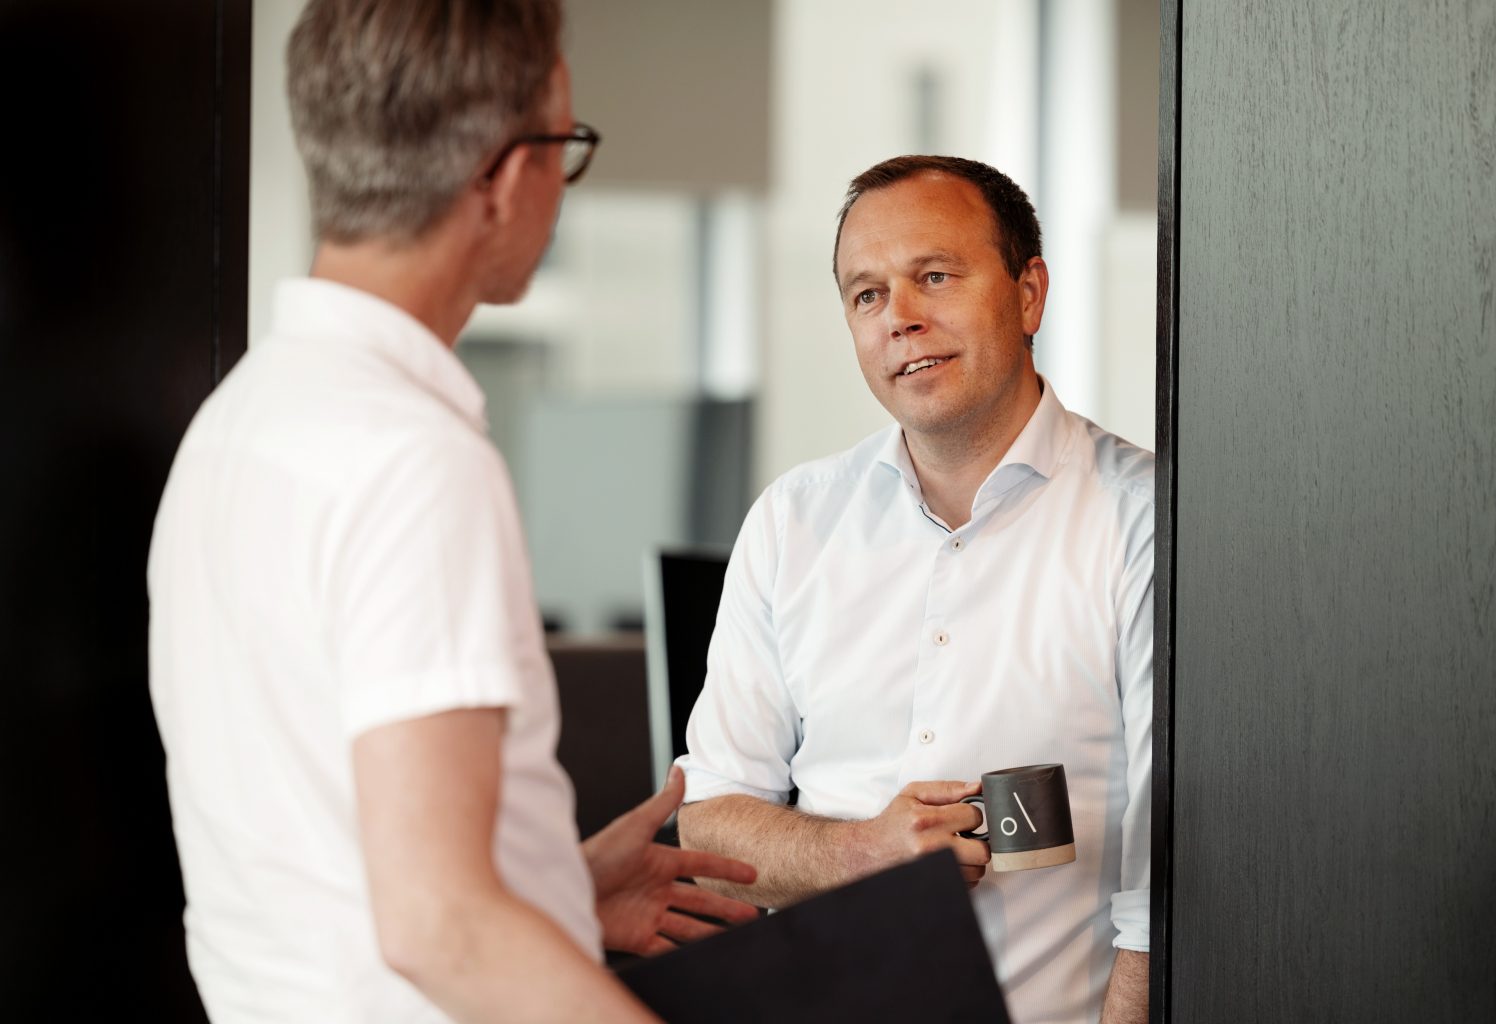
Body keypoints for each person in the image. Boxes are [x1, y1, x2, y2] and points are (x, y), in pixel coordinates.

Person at [147, 2, 756, 1021]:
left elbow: (327, 850)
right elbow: (439, 926)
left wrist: (555, 891)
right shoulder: (412, 460)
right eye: (566, 145)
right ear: (504, 174)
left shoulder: (236, 424)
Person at [675, 155, 1152, 1023]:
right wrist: (859, 852)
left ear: (1028, 293)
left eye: (934, 276)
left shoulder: (1141, 520)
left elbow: (1169, 892)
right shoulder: (793, 522)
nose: (899, 317)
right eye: (867, 294)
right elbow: (706, 829)